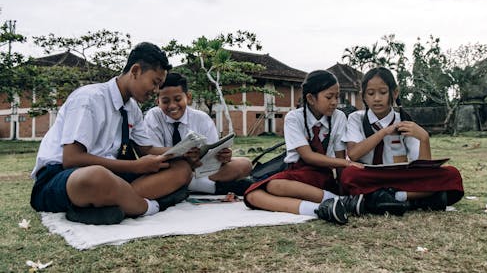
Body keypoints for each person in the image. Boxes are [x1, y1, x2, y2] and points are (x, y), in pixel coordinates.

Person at [30, 42, 194, 225]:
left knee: (181, 169)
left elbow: (146, 149)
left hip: (112, 176)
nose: (155, 91)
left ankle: (109, 204)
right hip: (62, 177)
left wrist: (181, 152)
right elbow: (72, 159)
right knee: (96, 177)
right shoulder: (89, 98)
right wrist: (135, 166)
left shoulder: (132, 109)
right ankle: (147, 206)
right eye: (155, 83)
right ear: (135, 71)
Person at [244, 70, 365, 225]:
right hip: (296, 173)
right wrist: (347, 163)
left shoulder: (339, 117)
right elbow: (307, 156)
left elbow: (339, 156)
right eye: (329, 97)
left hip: (321, 176)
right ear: (310, 98)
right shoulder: (294, 118)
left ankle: (340, 199)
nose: (335, 102)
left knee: (274, 186)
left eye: (337, 97)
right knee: (252, 196)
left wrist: (343, 187)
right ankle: (325, 208)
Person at [341, 67, 464, 215]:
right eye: (371, 93)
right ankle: (418, 199)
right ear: (364, 96)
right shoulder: (356, 118)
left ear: (394, 93)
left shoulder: (404, 121)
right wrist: (384, 132)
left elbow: (423, 169)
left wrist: (424, 138)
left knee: (452, 174)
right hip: (370, 176)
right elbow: (353, 154)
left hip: (400, 177)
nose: (377, 98)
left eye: (383, 92)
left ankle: (391, 198)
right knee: (349, 174)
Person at [144, 73, 253, 195]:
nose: (172, 106)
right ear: (157, 101)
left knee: (245, 164)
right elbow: (152, 152)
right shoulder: (153, 116)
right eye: (165, 101)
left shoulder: (202, 118)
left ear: (188, 97)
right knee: (180, 170)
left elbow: (213, 151)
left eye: (178, 99)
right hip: (171, 169)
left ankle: (191, 185)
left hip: (201, 170)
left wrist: (223, 157)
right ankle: (214, 187)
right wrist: (182, 154)